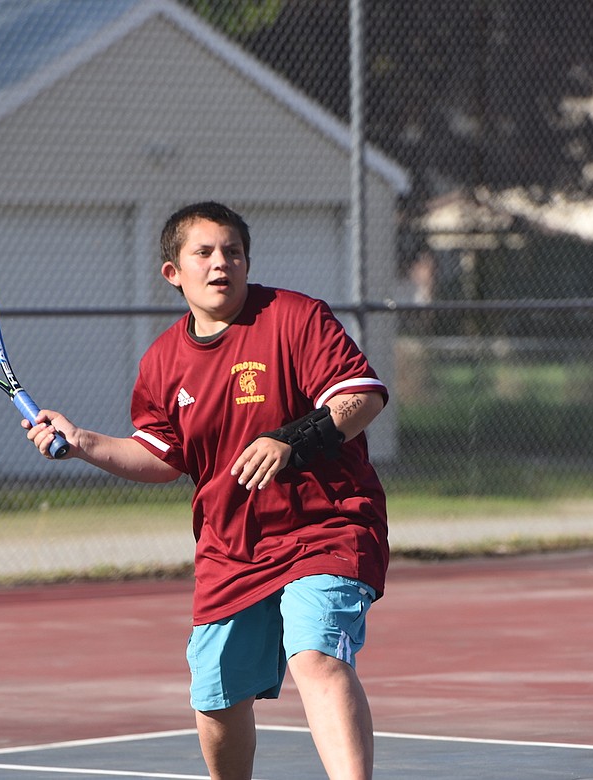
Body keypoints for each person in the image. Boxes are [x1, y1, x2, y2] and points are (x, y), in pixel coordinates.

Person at [24, 201, 389, 780]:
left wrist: (294, 439)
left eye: (233, 252)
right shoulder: (163, 362)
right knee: (216, 697)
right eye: (205, 253)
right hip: (232, 546)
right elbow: (161, 457)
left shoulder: (295, 318)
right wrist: (83, 440)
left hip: (326, 525)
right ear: (174, 272)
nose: (222, 263)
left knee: (315, 655)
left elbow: (361, 398)